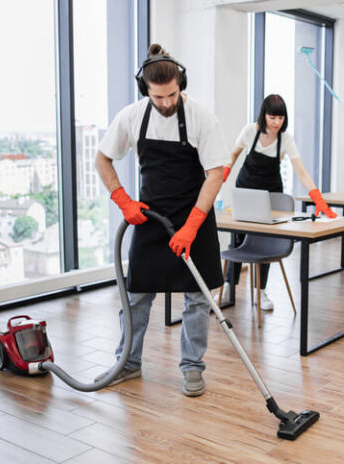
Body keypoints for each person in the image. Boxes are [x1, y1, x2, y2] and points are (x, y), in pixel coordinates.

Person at [94, 44, 227, 395]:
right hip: (150, 218)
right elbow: (103, 159)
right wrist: (123, 200)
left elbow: (216, 173)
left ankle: (192, 367)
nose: (167, 103)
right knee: (136, 296)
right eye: (159, 96)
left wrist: (191, 225)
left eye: (172, 94)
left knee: (198, 298)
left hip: (194, 217)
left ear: (180, 85)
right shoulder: (132, 116)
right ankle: (128, 363)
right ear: (145, 90)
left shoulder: (202, 117)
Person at [219, 94, 336, 309]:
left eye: (280, 118)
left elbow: (301, 171)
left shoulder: (285, 139)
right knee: (237, 239)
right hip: (246, 188)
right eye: (272, 117)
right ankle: (229, 286)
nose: (276, 122)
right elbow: (233, 155)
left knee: (265, 241)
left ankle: (261, 292)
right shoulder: (249, 131)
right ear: (263, 115)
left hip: (271, 192)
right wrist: (223, 173)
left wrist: (316, 196)